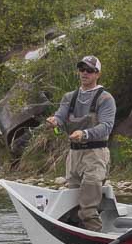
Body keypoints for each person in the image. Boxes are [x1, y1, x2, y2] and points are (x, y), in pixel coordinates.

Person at [46, 55, 116, 231]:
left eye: (89, 70)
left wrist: (84, 134)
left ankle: (97, 240)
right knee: (72, 207)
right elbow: (61, 117)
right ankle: (75, 239)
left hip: (95, 155)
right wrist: (55, 121)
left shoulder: (106, 99)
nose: (84, 73)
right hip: (74, 157)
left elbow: (106, 127)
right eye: (82, 69)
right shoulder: (69, 97)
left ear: (97, 74)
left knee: (88, 210)